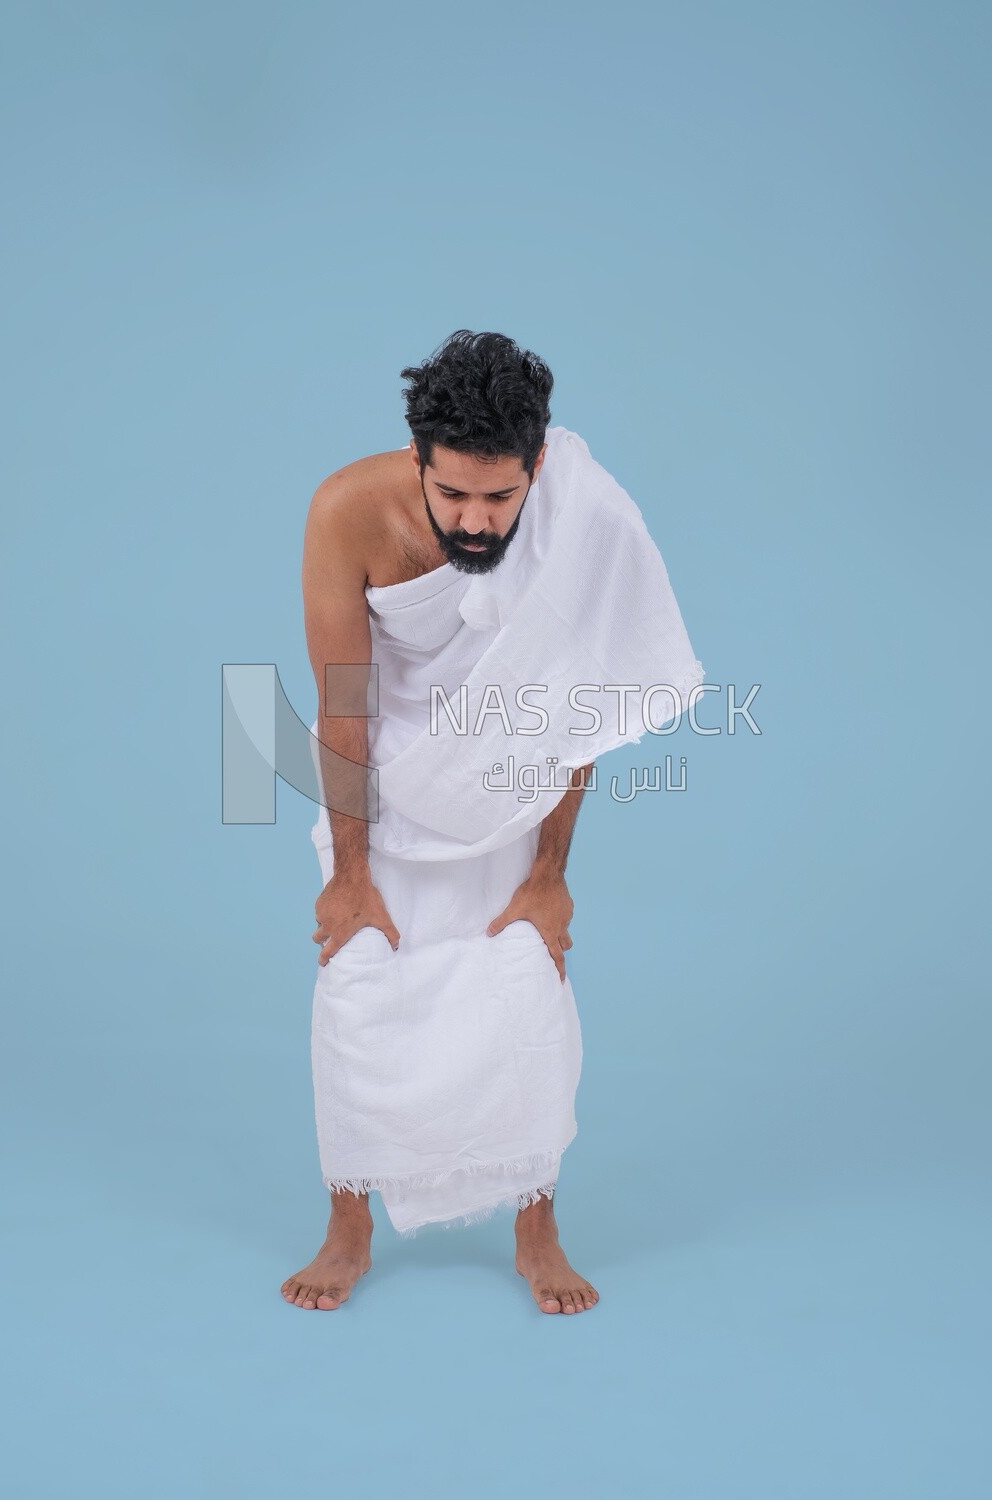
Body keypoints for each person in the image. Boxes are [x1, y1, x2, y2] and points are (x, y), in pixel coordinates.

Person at [281, 330, 705, 1315]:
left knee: (520, 987)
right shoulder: (345, 512)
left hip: (512, 780)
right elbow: (344, 704)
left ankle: (537, 1227)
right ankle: (349, 1227)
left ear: (538, 466)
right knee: (357, 988)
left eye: (499, 498)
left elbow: (583, 698)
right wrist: (349, 871)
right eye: (453, 494)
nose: (476, 519)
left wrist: (551, 873)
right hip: (387, 783)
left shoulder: (581, 515)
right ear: (417, 459)